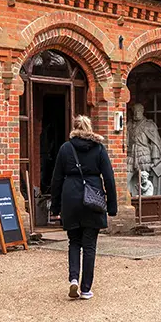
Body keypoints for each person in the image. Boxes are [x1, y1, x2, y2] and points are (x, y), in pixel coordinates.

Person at [50, 115, 117, 300]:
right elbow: (109, 179)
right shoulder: (99, 148)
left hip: (70, 198)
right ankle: (86, 288)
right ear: (89, 128)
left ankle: (73, 279)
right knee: (89, 245)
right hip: (92, 198)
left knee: (74, 242)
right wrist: (112, 206)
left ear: (74, 128)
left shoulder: (66, 148)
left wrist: (55, 207)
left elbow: (56, 180)